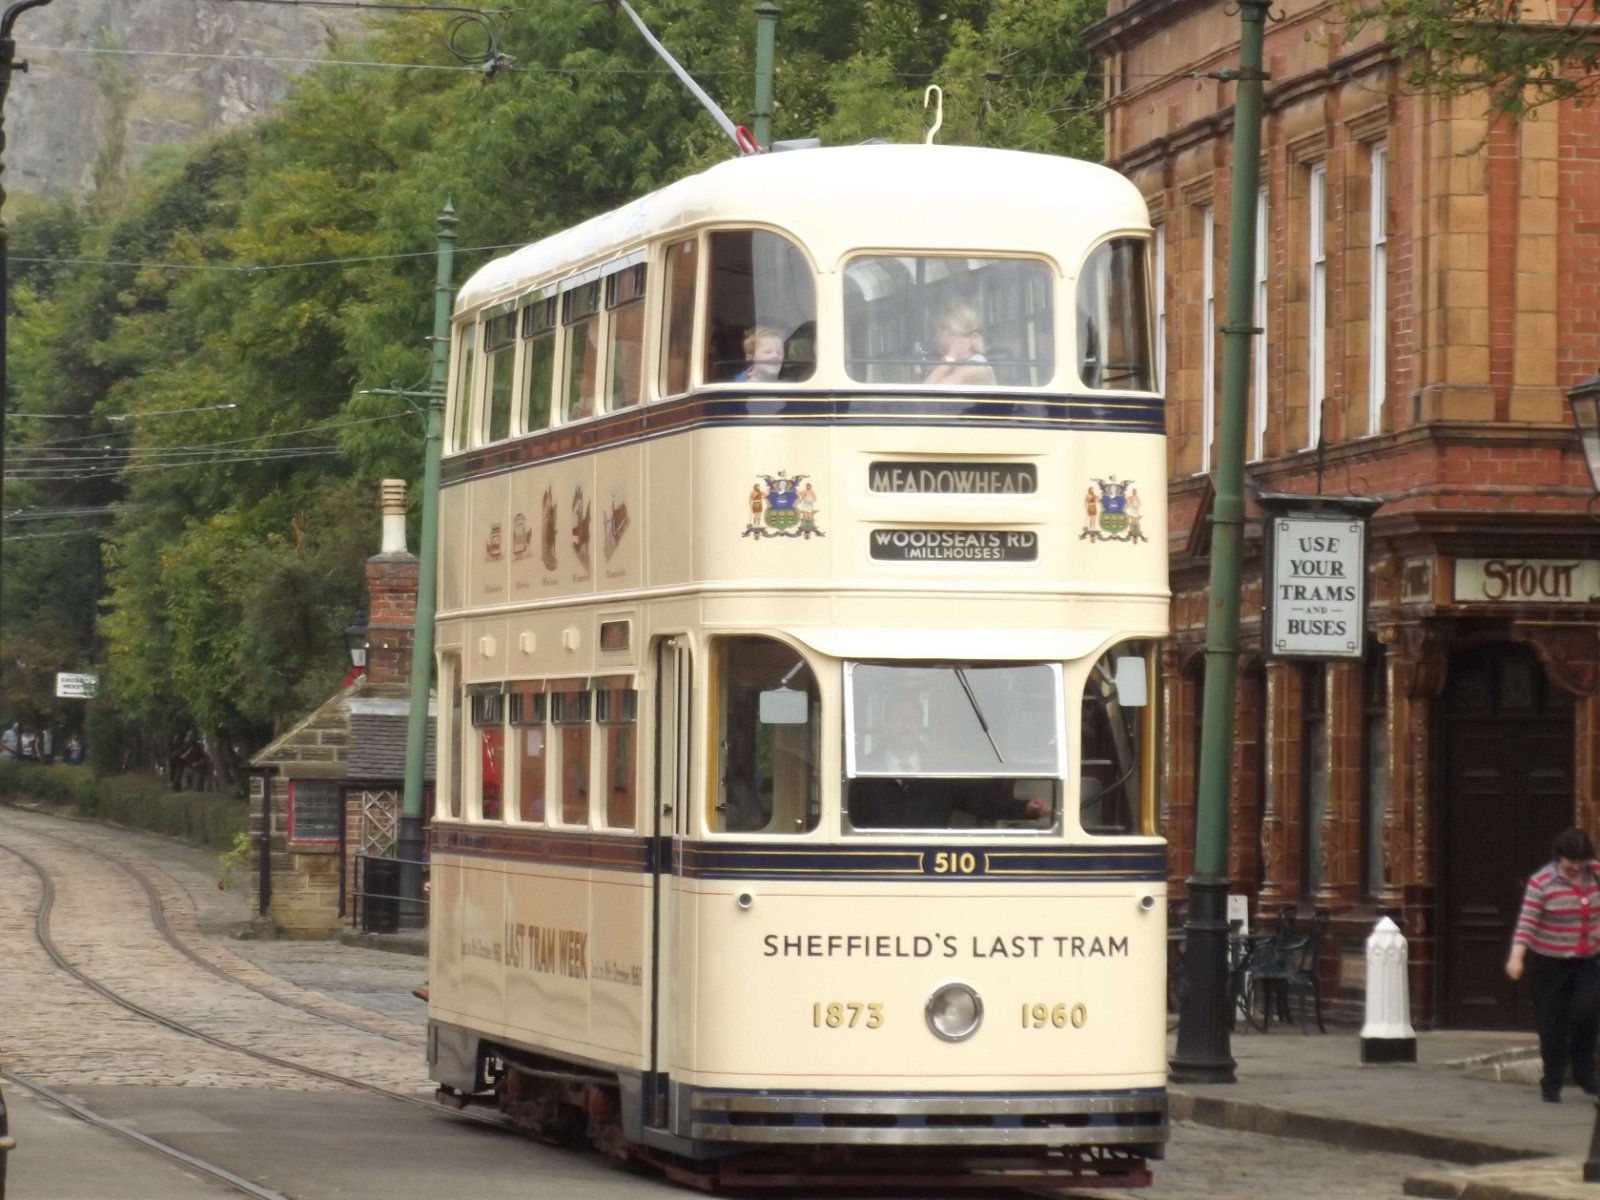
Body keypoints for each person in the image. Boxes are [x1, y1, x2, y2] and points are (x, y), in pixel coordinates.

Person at [848, 694, 1048, 829]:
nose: (905, 724)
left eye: (912, 718)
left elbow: (980, 801)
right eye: (898, 718)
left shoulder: (940, 770)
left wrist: (1024, 808)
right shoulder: (861, 772)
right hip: (878, 866)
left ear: (920, 725)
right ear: (885, 725)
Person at [1505, 826, 1600, 1102]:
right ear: (1559, 857)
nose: (1577, 867)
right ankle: (1553, 1080)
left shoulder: (1595, 873)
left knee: (1587, 1013)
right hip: (1549, 963)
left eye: (1581, 861)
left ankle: (1584, 1072)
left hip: (1587, 961)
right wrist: (1516, 957)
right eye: (1572, 861)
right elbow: (1527, 924)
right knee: (1551, 1025)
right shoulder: (1542, 882)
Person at [923, 299, 996, 386]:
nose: (934, 339)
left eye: (935, 332)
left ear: (948, 331)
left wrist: (950, 358)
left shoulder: (976, 367)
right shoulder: (957, 365)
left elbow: (930, 391)